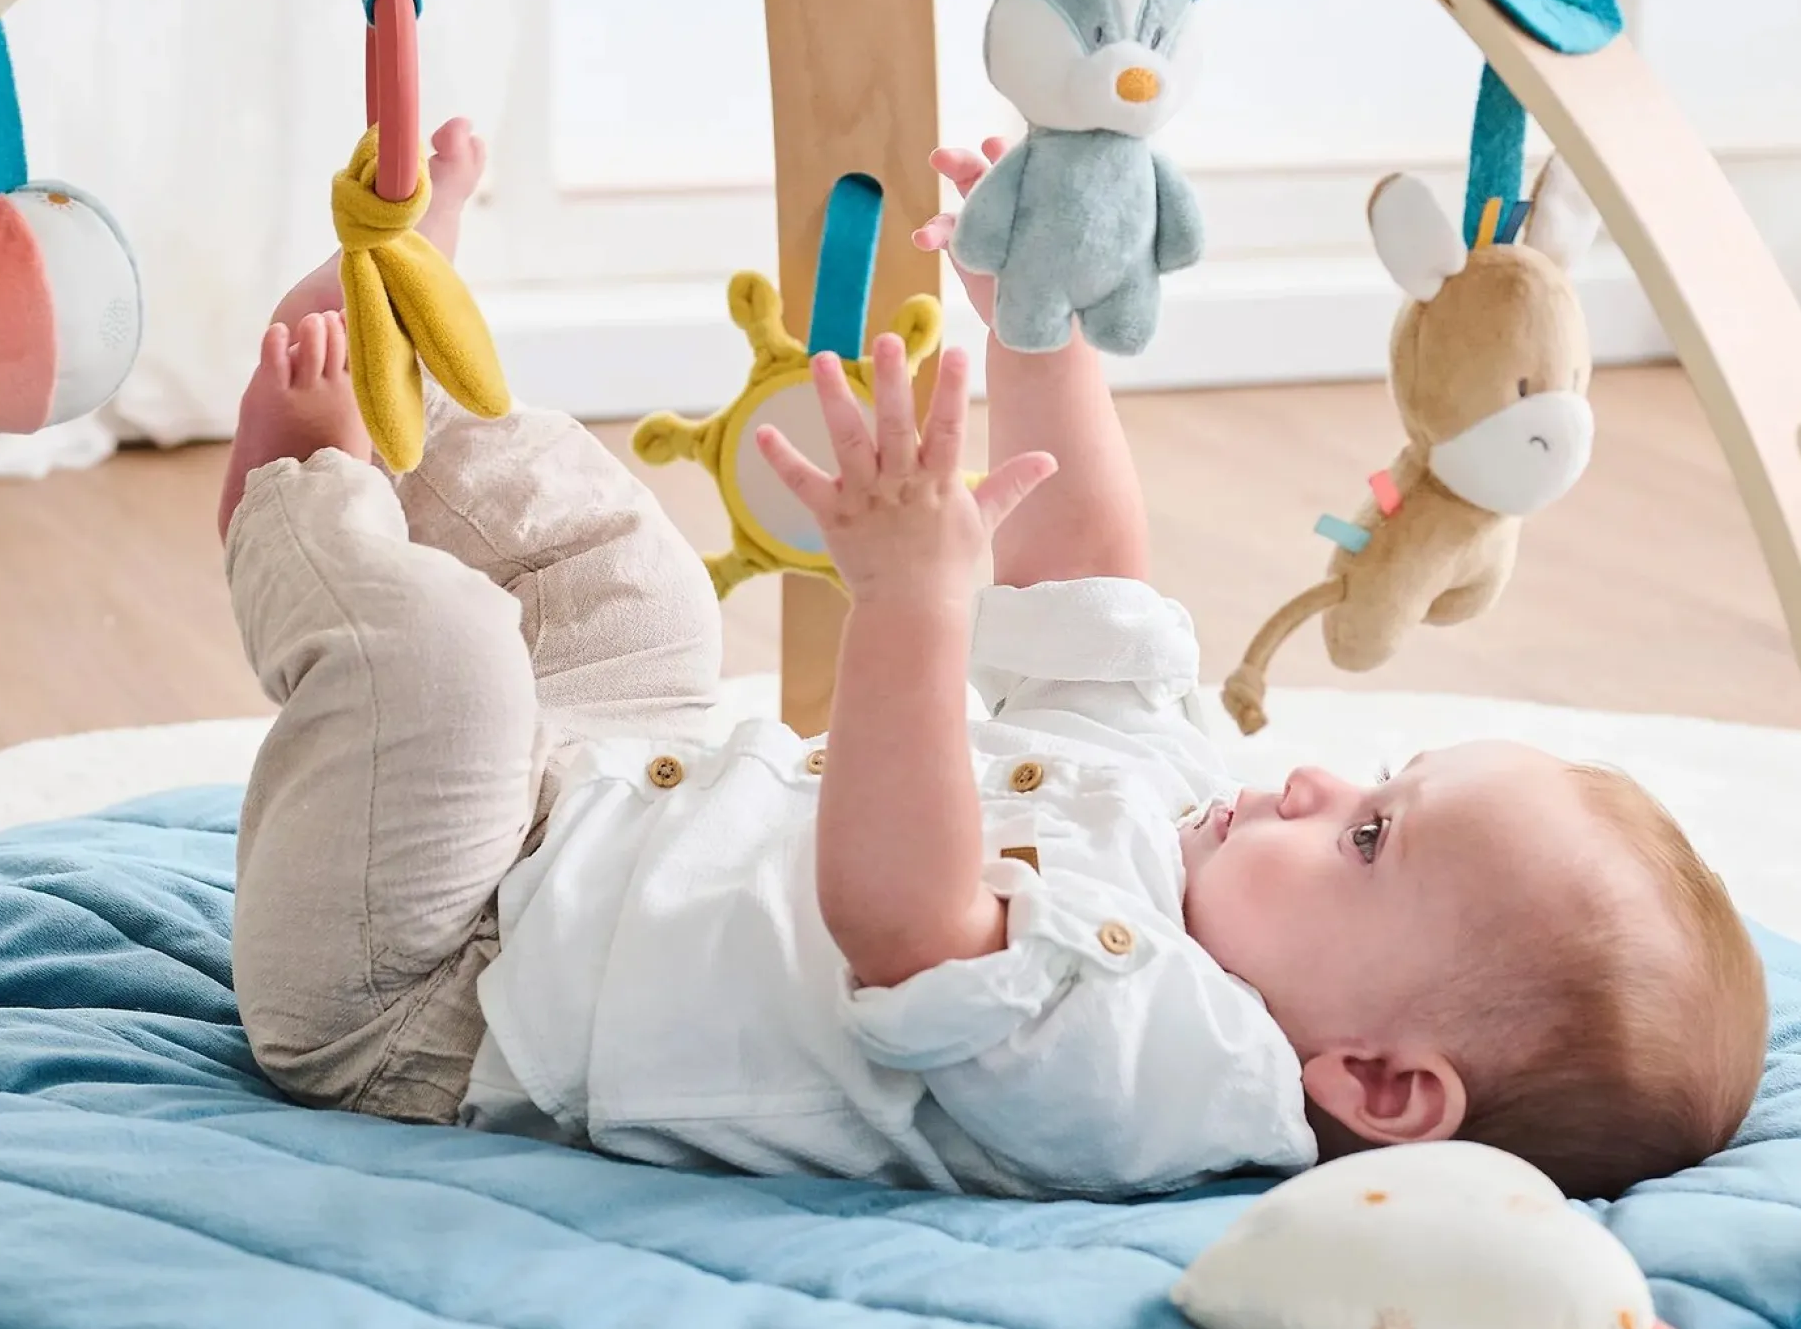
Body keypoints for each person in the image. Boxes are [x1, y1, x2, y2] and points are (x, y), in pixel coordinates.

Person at [217, 124, 1767, 1202]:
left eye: (1370, 834)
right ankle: (409, 357)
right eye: (1376, 778)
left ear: (1375, 1083)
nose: (1316, 776)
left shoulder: (1176, 1071)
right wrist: (1035, 336)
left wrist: (908, 607)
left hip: (426, 990)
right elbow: (1092, 574)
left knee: (458, 667)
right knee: (636, 597)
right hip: (592, 801)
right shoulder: (1185, 823)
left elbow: (907, 920)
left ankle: (299, 504)